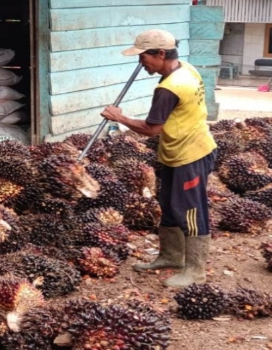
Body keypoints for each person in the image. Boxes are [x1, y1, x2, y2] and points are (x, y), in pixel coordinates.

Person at [101, 29, 218, 288]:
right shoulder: (185, 68)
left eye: (143, 57)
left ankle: (195, 271)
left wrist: (118, 117)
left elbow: (151, 129)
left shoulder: (170, 88)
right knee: (169, 204)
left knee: (190, 210)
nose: (141, 63)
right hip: (175, 152)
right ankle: (171, 256)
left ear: (161, 54)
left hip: (192, 155)